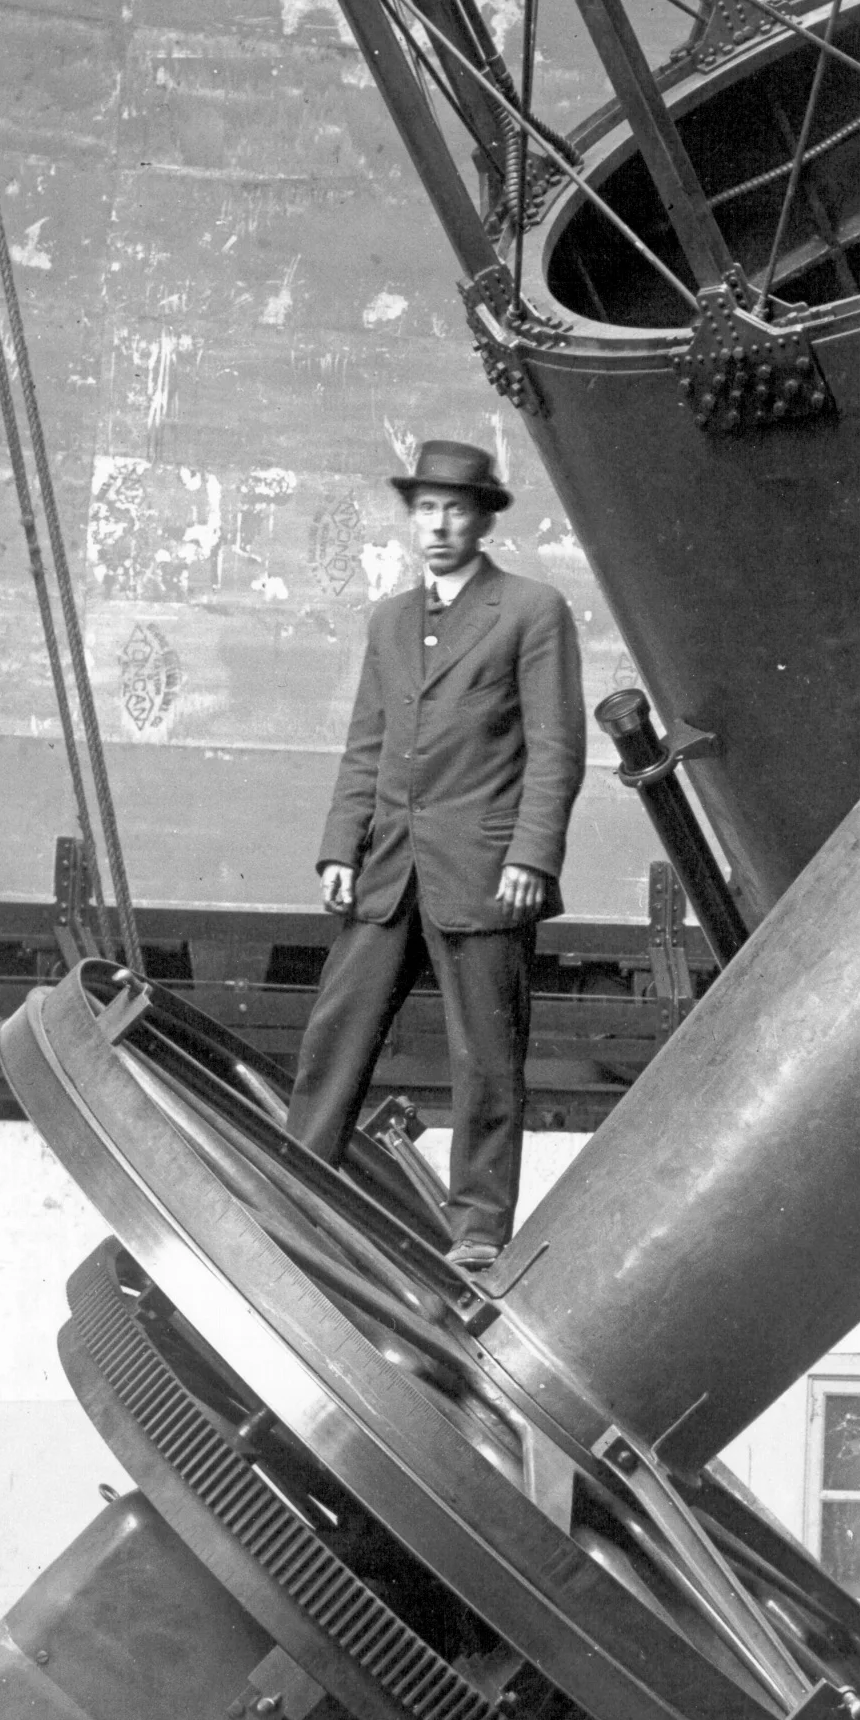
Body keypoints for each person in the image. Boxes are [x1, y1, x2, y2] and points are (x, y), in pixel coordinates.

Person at [286, 438, 584, 1275]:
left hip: (489, 873)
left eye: (455, 509)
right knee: (333, 1037)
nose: (438, 526)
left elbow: (557, 751)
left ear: (484, 519)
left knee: (485, 1061)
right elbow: (365, 747)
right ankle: (295, 1189)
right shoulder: (388, 619)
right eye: (424, 510)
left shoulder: (531, 611)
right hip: (387, 869)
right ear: (410, 519)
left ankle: (479, 1229)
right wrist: (338, 849)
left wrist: (532, 856)